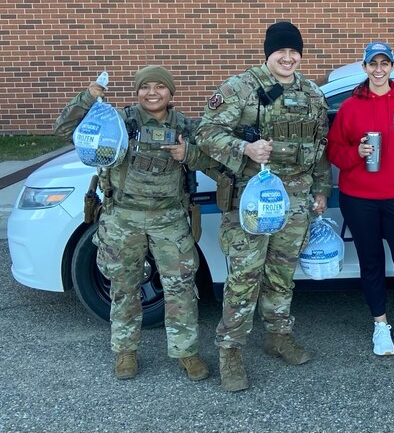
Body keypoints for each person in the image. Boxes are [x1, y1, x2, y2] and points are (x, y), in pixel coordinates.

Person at [53, 66, 214, 382]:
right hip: (123, 217)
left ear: (170, 93)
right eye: (145, 87)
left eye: (160, 87)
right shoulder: (119, 122)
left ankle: (187, 352)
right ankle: (125, 351)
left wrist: (188, 153)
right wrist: (88, 98)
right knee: (124, 287)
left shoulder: (184, 126)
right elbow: (64, 129)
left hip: (169, 219)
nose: (152, 93)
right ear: (137, 91)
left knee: (180, 287)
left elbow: (213, 158)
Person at [195, 21, 331, 392]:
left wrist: (321, 189)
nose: (287, 58)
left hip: (296, 202)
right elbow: (205, 131)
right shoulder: (240, 88)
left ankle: (278, 336)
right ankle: (231, 351)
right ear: (267, 53)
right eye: (280, 52)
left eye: (293, 52)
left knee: (281, 274)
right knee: (244, 278)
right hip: (252, 202)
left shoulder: (313, 94)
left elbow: (320, 147)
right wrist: (245, 149)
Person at [326, 41, 394, 356]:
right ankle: (381, 326)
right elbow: (334, 151)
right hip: (359, 199)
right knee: (371, 264)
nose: (379, 69)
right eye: (373, 63)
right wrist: (356, 153)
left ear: (392, 68)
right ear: (365, 68)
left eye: (384, 63)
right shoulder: (349, 107)